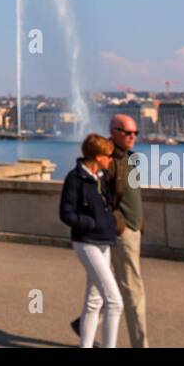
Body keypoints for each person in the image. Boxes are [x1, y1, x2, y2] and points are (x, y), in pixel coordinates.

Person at [59, 133, 123, 348]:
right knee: (114, 302)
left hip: (104, 241)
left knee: (94, 300)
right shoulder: (74, 179)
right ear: (97, 157)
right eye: (108, 155)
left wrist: (110, 225)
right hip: (86, 242)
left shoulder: (101, 178)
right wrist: (92, 223)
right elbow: (66, 214)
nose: (111, 158)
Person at [108, 114, 148, 347]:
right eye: (127, 132)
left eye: (135, 133)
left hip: (133, 230)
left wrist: (139, 224)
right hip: (122, 233)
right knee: (134, 292)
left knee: (107, 285)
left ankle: (84, 323)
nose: (132, 137)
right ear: (113, 131)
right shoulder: (107, 160)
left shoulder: (131, 158)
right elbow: (103, 197)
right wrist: (121, 225)